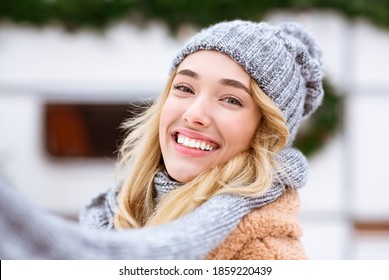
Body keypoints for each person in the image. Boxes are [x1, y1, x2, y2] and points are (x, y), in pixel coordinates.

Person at [0, 19, 323, 260]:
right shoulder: (111, 215)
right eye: (184, 88)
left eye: (231, 100)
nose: (195, 114)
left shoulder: (267, 256)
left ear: (265, 132)